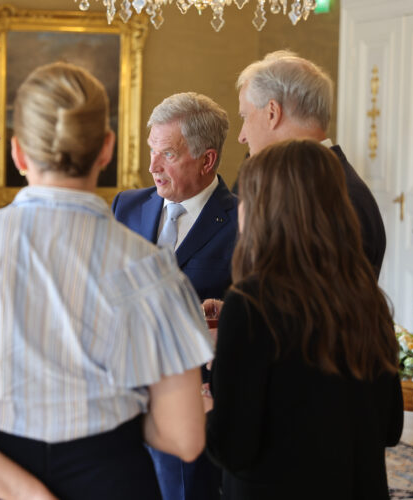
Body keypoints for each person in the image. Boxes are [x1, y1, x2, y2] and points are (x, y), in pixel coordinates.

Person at [0, 62, 213, 500]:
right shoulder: (151, 270)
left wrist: (25, 492)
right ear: (106, 149)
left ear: (18, 154)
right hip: (113, 481)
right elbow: (185, 436)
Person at [205, 139, 403, 499]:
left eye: (245, 198)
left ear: (267, 209)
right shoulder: (367, 298)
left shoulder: (250, 304)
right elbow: (390, 429)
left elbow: (231, 448)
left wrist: (207, 397)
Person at [112, 91, 236, 500]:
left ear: (207, 160)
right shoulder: (126, 208)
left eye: (166, 154)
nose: (152, 167)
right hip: (123, 407)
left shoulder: (244, 221)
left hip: (196, 413)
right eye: (152, 151)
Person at [236, 50, 386, 277]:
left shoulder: (344, 197)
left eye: (245, 117)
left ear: (272, 113)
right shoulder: (315, 185)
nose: (241, 136)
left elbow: (326, 305)